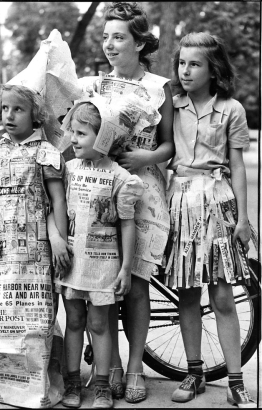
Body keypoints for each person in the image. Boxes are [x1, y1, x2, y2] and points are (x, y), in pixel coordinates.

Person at [73, 2, 174, 403]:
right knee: (101, 280)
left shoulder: (158, 86)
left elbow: (168, 143)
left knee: (133, 284)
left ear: (139, 42)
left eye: (119, 37)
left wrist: (146, 158)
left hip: (143, 188)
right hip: (98, 187)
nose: (110, 45)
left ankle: (134, 367)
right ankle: (108, 364)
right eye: (106, 37)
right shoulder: (94, 85)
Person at [165, 32, 257, 408]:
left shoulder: (231, 109)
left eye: (195, 64)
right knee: (186, 293)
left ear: (213, 69)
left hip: (217, 203)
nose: (186, 71)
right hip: (180, 200)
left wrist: (243, 217)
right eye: (182, 63)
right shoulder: (170, 106)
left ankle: (235, 380)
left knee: (221, 294)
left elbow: (236, 165)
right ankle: (194, 370)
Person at [0, 84, 67, 408]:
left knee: (36, 316)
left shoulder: (46, 152)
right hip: (0, 247)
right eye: (5, 108)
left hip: (36, 247)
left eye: (18, 109)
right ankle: (0, 381)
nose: (9, 115)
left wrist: (59, 240)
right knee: (1, 313)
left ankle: (39, 383)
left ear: (35, 114)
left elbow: (57, 200)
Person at [49, 100, 145, 409]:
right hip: (72, 263)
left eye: (81, 134)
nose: (73, 139)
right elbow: (54, 208)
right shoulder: (68, 171)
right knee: (74, 320)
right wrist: (56, 239)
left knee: (101, 324)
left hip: (104, 266)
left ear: (103, 137)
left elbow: (127, 225)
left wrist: (126, 268)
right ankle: (73, 381)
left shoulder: (121, 178)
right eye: (72, 132)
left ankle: (102, 385)